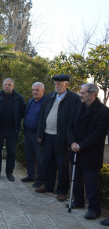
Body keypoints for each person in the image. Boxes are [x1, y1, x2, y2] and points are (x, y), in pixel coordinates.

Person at [66, 83, 109, 220]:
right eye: (81, 91)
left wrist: (81, 145)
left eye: (83, 92)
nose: (80, 94)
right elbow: (70, 126)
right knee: (77, 179)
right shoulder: (78, 107)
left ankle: (94, 209)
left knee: (91, 183)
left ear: (93, 94)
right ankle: (78, 201)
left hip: (90, 153)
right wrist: (72, 142)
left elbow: (98, 133)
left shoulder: (103, 111)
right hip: (76, 150)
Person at [35, 74, 80, 202]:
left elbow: (75, 120)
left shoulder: (73, 99)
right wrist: (40, 133)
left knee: (62, 165)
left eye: (59, 84)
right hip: (48, 135)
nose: (57, 86)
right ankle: (48, 186)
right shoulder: (50, 96)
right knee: (48, 162)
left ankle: (62, 191)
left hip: (62, 138)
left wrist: (72, 139)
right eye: (55, 84)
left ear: (66, 84)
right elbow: (42, 115)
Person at [0, 78, 25, 182]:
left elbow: (22, 112)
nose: (7, 86)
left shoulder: (19, 98)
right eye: (5, 84)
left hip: (12, 130)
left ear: (13, 86)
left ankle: (9, 172)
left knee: (11, 151)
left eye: (9, 85)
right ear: (3, 85)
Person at [21, 82, 46, 188]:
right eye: (33, 90)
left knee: (40, 159)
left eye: (37, 90)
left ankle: (40, 180)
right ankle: (30, 176)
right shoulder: (30, 101)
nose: (35, 92)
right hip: (28, 133)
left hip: (38, 135)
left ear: (43, 91)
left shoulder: (46, 102)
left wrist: (41, 134)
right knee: (29, 156)